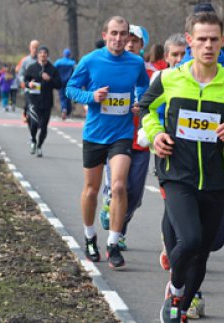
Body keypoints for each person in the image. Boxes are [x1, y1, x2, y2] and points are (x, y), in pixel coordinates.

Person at [140, 12, 224, 322]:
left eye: (213, 39)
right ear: (190, 40)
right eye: (201, 39)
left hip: (216, 179)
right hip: (177, 174)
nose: (208, 45)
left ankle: (180, 304)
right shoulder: (169, 78)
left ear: (222, 42)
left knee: (204, 251)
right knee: (189, 240)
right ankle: (176, 290)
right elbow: (145, 109)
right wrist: (156, 135)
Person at [66, 16, 149, 269]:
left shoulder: (136, 63)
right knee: (91, 190)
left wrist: (139, 102)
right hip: (94, 134)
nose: (118, 38)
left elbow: (144, 87)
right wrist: (91, 96)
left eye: (123, 34)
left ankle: (113, 243)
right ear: (105, 35)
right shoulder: (90, 61)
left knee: (120, 186)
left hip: (122, 134)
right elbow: (71, 88)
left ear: (128, 37)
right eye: (114, 33)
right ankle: (90, 236)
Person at [97, 24, 150, 251]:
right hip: (117, 138)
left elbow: (158, 101)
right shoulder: (110, 65)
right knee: (119, 188)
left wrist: (145, 105)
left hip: (141, 141)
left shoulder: (150, 73)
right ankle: (116, 231)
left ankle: (120, 228)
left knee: (134, 195)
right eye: (126, 39)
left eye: (135, 41)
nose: (129, 43)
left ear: (141, 46)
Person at [23, 46, 62, 157]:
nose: (42, 55)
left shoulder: (52, 69)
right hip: (34, 100)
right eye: (40, 53)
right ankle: (33, 140)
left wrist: (49, 79)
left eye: (45, 53)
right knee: (34, 123)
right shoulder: (32, 67)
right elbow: (25, 80)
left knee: (44, 127)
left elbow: (59, 84)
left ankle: (39, 146)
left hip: (46, 101)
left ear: (47, 55)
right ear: (38, 55)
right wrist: (28, 84)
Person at [54, 48, 76, 120]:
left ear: (63, 54)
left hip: (60, 82)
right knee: (68, 96)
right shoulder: (72, 63)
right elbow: (76, 71)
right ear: (69, 55)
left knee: (62, 96)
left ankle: (64, 109)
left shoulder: (58, 62)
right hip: (69, 82)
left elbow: (53, 70)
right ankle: (67, 111)